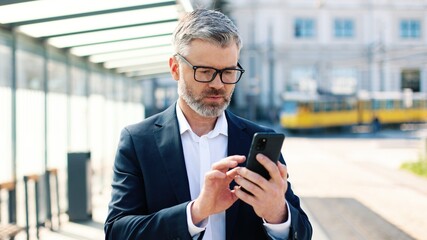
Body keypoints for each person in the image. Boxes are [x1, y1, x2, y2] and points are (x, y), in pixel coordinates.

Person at [104, 9, 312, 240]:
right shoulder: (138, 141)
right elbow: (117, 232)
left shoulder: (259, 138)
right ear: (175, 68)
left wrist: (278, 214)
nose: (218, 84)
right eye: (205, 72)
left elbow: (303, 232)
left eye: (228, 72)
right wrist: (196, 212)